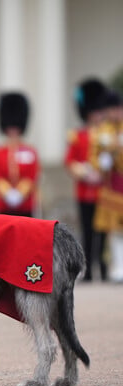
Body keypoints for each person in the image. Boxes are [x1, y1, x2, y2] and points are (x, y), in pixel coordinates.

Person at [65, 78, 109, 282]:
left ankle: (105, 268)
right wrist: (84, 173)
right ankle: (89, 271)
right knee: (88, 232)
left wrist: (101, 174)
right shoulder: (78, 135)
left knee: (105, 232)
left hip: (105, 191)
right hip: (84, 190)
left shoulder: (108, 135)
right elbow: (70, 160)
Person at [0, 92, 41, 217]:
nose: (13, 130)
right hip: (3, 205)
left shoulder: (30, 151)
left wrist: (20, 193)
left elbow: (32, 176)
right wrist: (7, 193)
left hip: (25, 206)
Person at [92, 89, 123, 282]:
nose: (116, 113)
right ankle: (118, 267)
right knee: (114, 230)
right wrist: (103, 160)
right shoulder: (102, 131)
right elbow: (94, 158)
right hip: (112, 187)